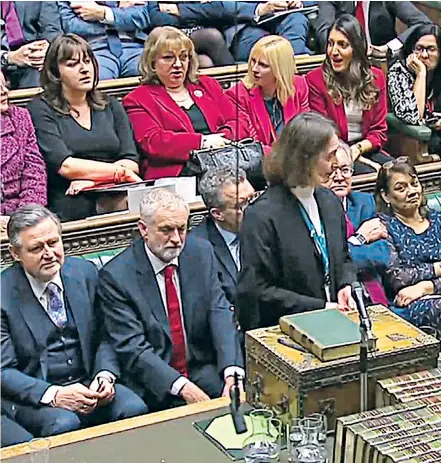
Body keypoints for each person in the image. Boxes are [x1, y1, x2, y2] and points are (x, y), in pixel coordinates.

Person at [1, 205, 148, 438]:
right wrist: (54, 394)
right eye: (37, 248)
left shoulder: (85, 272)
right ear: (15, 253)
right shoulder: (3, 294)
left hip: (90, 382)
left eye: (53, 242)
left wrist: (104, 375)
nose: (49, 253)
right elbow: (4, 370)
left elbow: (107, 334)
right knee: (64, 423)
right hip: (38, 395)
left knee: (133, 407)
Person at [98, 189, 244, 411]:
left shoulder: (201, 253)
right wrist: (184, 388)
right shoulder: (116, 276)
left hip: (198, 367)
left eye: (181, 229)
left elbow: (220, 312)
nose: (176, 239)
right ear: (144, 230)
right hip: (151, 379)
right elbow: (133, 348)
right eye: (166, 230)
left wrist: (232, 371)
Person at [237, 112, 356, 332]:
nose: (335, 164)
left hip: (335, 321)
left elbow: (343, 257)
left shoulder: (329, 201)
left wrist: (345, 284)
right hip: (286, 331)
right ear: (305, 159)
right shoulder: (261, 216)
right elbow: (258, 291)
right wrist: (319, 307)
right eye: (329, 156)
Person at [27, 34, 141, 222]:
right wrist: (119, 173)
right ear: (55, 73)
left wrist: (94, 181)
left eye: (87, 61)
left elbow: (131, 160)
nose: (84, 69)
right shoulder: (40, 108)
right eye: (72, 64)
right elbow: (66, 166)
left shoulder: (110, 104)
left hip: (114, 187)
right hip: (69, 194)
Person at [123, 26, 248, 180]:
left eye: (183, 57)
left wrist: (221, 140)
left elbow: (238, 119)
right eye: (168, 58)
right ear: (152, 62)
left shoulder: (207, 85)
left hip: (225, 161)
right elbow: (153, 142)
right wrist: (203, 142)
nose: (178, 64)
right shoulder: (137, 99)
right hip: (179, 173)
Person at [307, 14, 391, 175]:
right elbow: (323, 134)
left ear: (357, 49)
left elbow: (379, 131)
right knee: (371, 176)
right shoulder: (315, 80)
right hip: (332, 151)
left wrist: (358, 149)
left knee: (398, 173)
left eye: (342, 45)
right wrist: (355, 156)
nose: (334, 52)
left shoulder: (376, 78)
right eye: (331, 44)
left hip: (366, 147)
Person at [374, 157, 441, 336]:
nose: (412, 191)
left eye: (414, 183)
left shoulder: (438, 219)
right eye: (401, 188)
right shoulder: (383, 228)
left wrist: (428, 286)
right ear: (385, 196)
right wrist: (436, 268)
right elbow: (398, 278)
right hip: (407, 304)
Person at [324, 141, 389, 305]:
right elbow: (326, 263)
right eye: (332, 171)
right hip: (336, 299)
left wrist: (344, 251)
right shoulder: (314, 211)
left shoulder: (365, 203)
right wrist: (359, 239)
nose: (339, 177)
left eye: (345, 170)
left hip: (374, 294)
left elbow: (382, 254)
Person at [226, 35, 309, 154]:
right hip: (264, 162)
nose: (254, 69)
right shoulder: (238, 95)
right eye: (253, 61)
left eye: (263, 65)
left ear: (280, 69)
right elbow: (251, 144)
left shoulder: (299, 85)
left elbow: (306, 129)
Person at [192, 167, 255, 305]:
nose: (253, 209)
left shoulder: (268, 226)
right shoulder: (198, 248)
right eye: (242, 205)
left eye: (254, 198)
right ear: (217, 214)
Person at [58, 1, 150, 81]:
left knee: (152, 73)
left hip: (134, 45)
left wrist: (104, 13)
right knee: (95, 77)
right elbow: (71, 26)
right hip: (94, 47)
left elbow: (142, 17)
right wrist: (118, 15)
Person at [388, 25, 441, 157]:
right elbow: (413, 116)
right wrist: (421, 74)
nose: (424, 55)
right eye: (419, 49)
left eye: (431, 49)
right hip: (414, 138)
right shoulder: (398, 72)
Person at [0, 71, 47, 216]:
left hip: (21, 215)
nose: (4, 91)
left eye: (4, 84)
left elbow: (35, 174)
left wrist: (24, 218)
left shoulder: (20, 118)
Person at [314, 1, 432, 57]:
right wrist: (351, 49)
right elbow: (324, 34)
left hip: (383, 62)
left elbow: (424, 24)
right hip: (345, 62)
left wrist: (389, 47)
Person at [147, 2, 235, 68]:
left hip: (201, 31)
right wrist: (193, 15)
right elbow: (158, 19)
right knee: (211, 37)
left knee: (205, 62)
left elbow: (216, 10)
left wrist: (179, 11)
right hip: (172, 35)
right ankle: (235, 85)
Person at [0, 1, 62, 89]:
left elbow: (51, 30)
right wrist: (9, 57)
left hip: (31, 56)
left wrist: (46, 51)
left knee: (43, 80)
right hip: (4, 58)